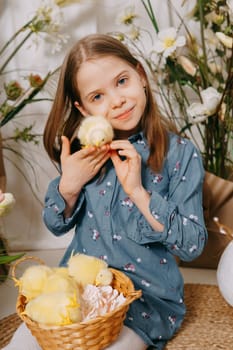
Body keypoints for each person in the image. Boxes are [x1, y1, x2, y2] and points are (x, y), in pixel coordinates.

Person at [4, 33, 207, 350]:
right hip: (79, 288)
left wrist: (140, 193)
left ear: (140, 75)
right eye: (97, 97)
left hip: (143, 299)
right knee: (22, 344)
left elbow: (193, 245)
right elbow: (56, 223)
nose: (116, 100)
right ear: (83, 109)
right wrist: (68, 186)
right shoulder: (86, 156)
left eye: (122, 81)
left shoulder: (180, 155)